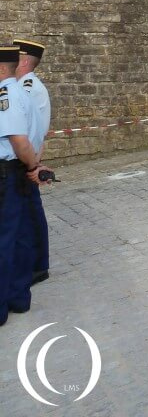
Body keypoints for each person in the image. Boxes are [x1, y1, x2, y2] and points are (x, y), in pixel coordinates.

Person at [0, 45, 39, 326]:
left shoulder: (8, 95)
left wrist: (33, 166)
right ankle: (18, 297)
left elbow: (20, 142)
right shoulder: (23, 93)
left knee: (5, 239)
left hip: (8, 172)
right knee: (19, 235)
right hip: (16, 171)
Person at [16, 39, 52, 285]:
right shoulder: (20, 85)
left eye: (16, 57)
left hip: (25, 159)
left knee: (30, 213)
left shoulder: (27, 85)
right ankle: (36, 264)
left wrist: (33, 162)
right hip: (26, 157)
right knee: (28, 211)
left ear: (26, 61)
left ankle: (38, 266)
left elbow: (27, 127)